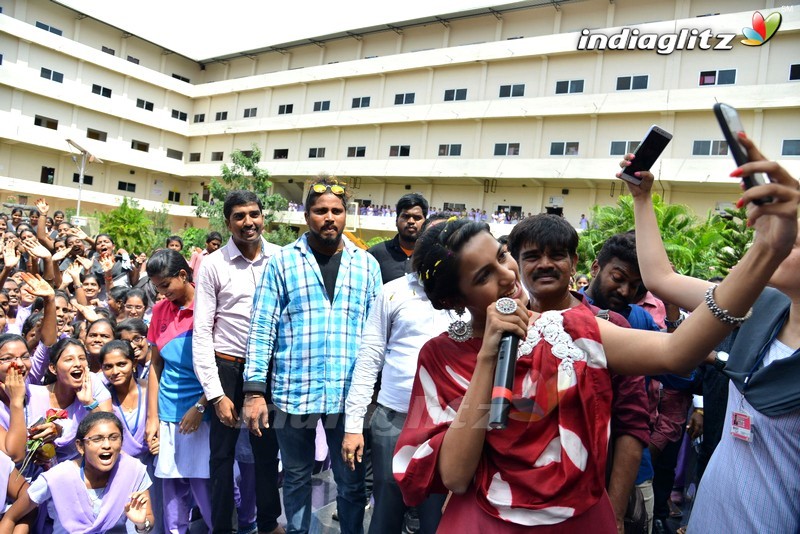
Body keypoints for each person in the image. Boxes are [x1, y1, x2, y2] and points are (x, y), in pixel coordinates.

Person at [392, 172, 796, 533]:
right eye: (483, 276)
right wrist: (488, 359)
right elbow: (457, 476)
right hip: (486, 522)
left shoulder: (571, 329)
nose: (508, 275)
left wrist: (767, 250)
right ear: (455, 299)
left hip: (580, 521)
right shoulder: (440, 358)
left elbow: (677, 352)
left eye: (501, 256)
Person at [619, 135, 800, 532]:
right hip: (713, 514)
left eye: (796, 233)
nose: (783, 236)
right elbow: (660, 278)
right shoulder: (761, 307)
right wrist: (642, 198)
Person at [244, 178, 382, 534]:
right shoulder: (283, 263)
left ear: (346, 216)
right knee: (295, 478)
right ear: (307, 215)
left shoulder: (366, 266)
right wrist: (255, 391)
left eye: (337, 211)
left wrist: (372, 394)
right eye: (321, 211)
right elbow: (262, 329)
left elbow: (376, 335)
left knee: (351, 483)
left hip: (347, 397)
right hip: (293, 393)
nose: (329, 218)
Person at [506, 214, 651, 534]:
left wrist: (612, 512)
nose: (545, 264)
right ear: (517, 263)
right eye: (531, 256)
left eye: (556, 255)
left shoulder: (609, 329)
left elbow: (632, 423)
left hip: (582, 506)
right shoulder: (504, 326)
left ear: (574, 263)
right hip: (509, 503)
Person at [342, 215, 450, 534]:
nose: (438, 246)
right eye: (432, 238)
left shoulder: (468, 298)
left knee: (435, 519)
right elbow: (369, 359)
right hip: (393, 420)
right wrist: (352, 427)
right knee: (386, 513)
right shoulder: (393, 292)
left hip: (447, 425)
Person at [192, 191, 283, 534]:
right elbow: (202, 332)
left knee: (266, 451)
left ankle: (269, 523)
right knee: (222, 457)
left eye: (254, 214)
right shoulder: (214, 264)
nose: (249, 222)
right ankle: (221, 528)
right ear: (228, 222)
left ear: (263, 217)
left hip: (269, 370)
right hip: (227, 366)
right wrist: (216, 395)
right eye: (240, 216)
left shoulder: (281, 258)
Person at [144, 249, 212, 533]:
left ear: (183, 275)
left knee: (204, 485)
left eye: (165, 285)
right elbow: (156, 366)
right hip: (168, 411)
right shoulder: (160, 310)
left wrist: (200, 407)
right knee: (171, 488)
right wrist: (152, 418)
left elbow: (224, 367)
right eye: (156, 287)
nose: (161, 294)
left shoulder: (209, 306)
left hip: (203, 413)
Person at [0, 411, 155, 534]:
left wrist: (141, 524)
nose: (107, 445)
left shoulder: (133, 471)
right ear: (81, 447)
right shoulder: (58, 477)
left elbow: (148, 521)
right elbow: (11, 517)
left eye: (114, 438)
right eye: (97, 439)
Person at [367, 193, 428, 284]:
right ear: (396, 220)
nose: (411, 221)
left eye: (417, 217)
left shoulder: (431, 255)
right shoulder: (374, 254)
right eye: (405, 216)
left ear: (425, 223)